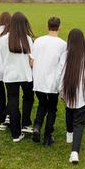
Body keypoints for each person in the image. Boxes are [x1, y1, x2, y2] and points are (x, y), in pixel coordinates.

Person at [59, 28, 85, 164]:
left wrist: (61, 92)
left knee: (69, 111)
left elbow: (60, 75)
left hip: (69, 91)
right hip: (83, 94)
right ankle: (74, 152)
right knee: (79, 123)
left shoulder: (65, 55)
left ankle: (69, 134)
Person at [0, 12, 35, 142]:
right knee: (28, 98)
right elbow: (32, 60)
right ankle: (25, 122)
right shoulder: (28, 39)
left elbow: (3, 58)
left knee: (13, 102)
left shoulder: (3, 39)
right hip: (25, 74)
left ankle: (16, 133)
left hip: (10, 75)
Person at [32, 16, 66, 146]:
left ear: (47, 27)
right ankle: (47, 136)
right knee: (52, 108)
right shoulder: (63, 44)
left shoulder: (38, 41)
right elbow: (63, 65)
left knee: (42, 104)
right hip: (53, 81)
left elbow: (32, 59)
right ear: (59, 27)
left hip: (39, 79)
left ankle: (37, 126)